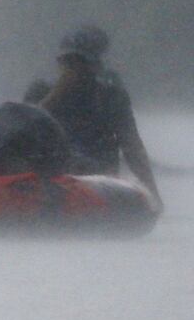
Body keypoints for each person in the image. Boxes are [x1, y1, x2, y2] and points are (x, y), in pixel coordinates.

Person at [34, 25, 157, 194]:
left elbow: (131, 146)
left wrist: (152, 191)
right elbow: (24, 131)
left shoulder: (111, 95)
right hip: (53, 174)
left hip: (97, 176)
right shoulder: (40, 91)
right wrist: (56, 94)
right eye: (67, 61)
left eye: (79, 62)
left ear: (95, 65)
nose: (72, 68)